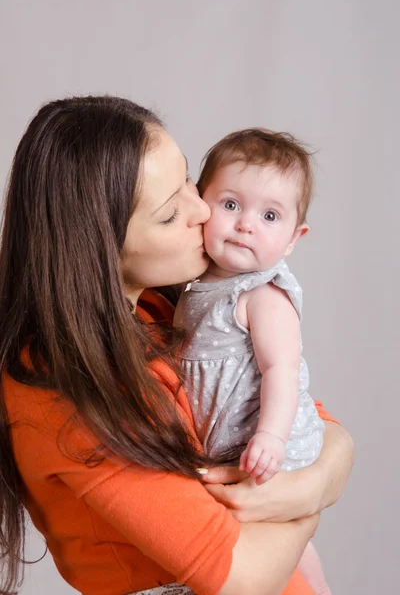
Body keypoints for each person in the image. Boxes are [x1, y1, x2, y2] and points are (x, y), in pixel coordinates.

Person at [0, 96, 353, 595]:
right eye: (169, 214)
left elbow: (311, 416)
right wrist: (311, 495)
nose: (204, 208)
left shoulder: (158, 310)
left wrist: (315, 480)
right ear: (100, 245)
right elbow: (241, 578)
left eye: (188, 179)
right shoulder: (66, 384)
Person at [173, 129, 331, 594]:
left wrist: (271, 437)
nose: (246, 224)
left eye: (269, 215)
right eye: (230, 204)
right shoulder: (195, 286)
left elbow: (281, 370)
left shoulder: (262, 293)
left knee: (284, 544)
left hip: (267, 443)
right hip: (231, 445)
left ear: (292, 238)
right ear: (201, 202)